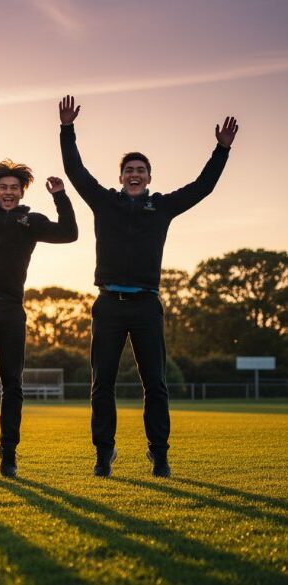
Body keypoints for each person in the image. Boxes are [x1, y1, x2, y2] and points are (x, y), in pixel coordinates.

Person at [58, 95, 238, 478]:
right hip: (108, 305)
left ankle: (159, 454)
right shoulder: (104, 203)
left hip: (146, 307)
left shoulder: (163, 207)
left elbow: (201, 187)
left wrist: (220, 151)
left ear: (149, 177)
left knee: (155, 384)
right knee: (101, 383)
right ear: (120, 176)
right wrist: (67, 129)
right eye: (129, 169)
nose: (134, 174)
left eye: (141, 169)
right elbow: (75, 171)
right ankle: (104, 454)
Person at [0, 105, 78, 478]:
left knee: (12, 385)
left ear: (22, 191)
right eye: (3, 187)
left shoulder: (32, 221)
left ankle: (8, 455)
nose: (8, 192)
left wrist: (60, 196)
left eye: (14, 188)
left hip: (11, 312)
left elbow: (69, 233)